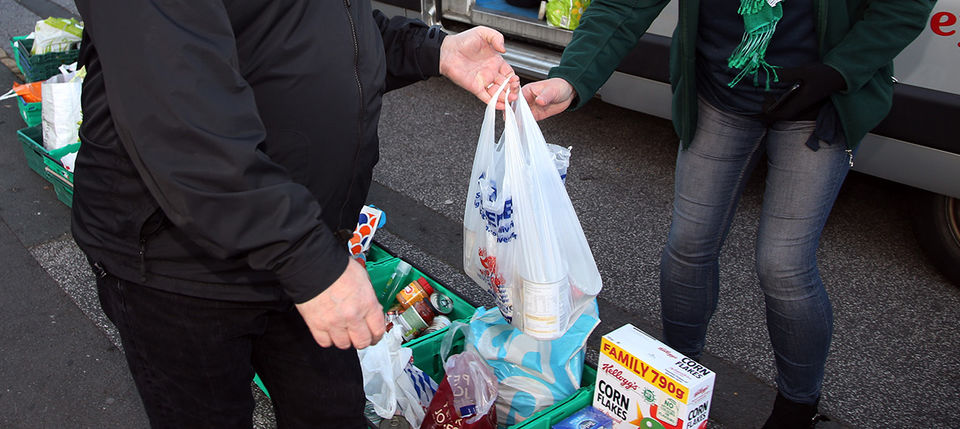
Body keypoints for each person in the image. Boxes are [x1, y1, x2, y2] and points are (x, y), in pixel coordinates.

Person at [71, 1, 518, 427]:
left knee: (332, 413)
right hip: (180, 263)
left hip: (294, 234)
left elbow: (312, 24)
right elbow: (180, 116)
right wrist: (308, 261)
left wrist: (432, 49)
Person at [522, 0, 934, 427]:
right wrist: (571, 78)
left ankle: (797, 408)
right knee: (688, 245)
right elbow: (623, 5)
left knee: (784, 265)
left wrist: (840, 70)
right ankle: (677, 380)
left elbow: (903, 7)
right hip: (720, 93)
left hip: (821, 98)